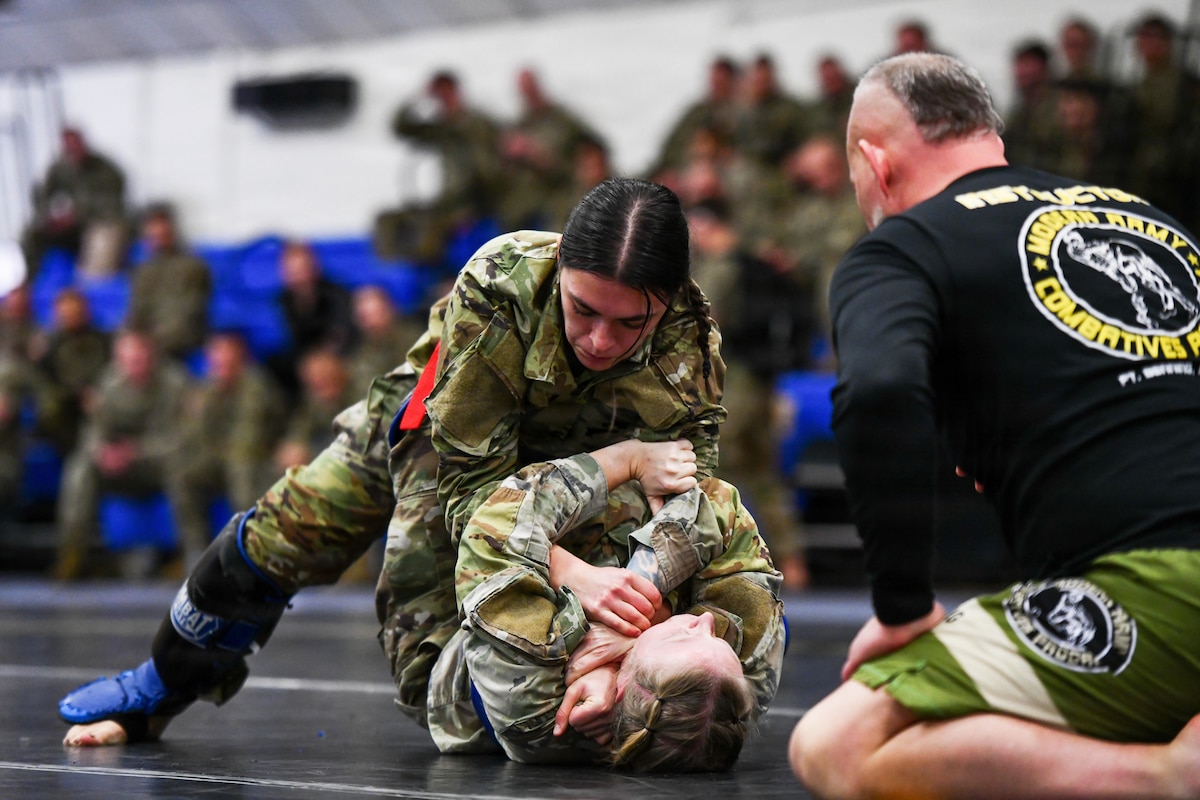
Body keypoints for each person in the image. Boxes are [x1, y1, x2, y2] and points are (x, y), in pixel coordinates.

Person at [57, 179, 779, 767]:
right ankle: (157, 688)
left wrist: (642, 600)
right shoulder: (501, 285)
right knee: (286, 533)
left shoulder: (688, 339)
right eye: (583, 310)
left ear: (668, 306)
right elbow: (470, 498)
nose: (600, 340)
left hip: (576, 481)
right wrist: (580, 577)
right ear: (559, 269)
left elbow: (691, 502)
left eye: (630, 325)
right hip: (438, 442)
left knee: (440, 666)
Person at [788, 52, 1200, 799]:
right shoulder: (1154, 222)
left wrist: (902, 608)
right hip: (1152, 589)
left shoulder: (900, 248)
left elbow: (880, 393)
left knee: (833, 745)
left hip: (1154, 588)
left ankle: (1169, 776)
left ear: (876, 165)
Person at [53, 328, 189, 581]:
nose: (134, 366)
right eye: (127, 360)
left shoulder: (175, 383)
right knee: (80, 468)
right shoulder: (109, 384)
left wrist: (136, 451)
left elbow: (181, 439)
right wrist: (103, 452)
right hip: (121, 467)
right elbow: (92, 433)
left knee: (183, 469)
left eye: (140, 359)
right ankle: (72, 552)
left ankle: (186, 556)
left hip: (157, 465)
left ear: (152, 356)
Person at [174, 332, 284, 568]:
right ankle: (198, 554)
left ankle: (250, 552)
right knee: (184, 473)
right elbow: (194, 438)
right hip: (224, 459)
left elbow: (249, 440)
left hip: (260, 459)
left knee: (241, 468)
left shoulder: (256, 386)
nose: (220, 361)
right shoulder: (208, 389)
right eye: (215, 355)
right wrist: (203, 406)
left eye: (226, 354)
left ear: (240, 357)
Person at [20, 127, 127, 278]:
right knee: (31, 233)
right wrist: (49, 216)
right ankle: (31, 277)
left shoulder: (106, 170)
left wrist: (77, 215)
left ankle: (89, 284)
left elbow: (112, 206)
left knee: (104, 240)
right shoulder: (60, 168)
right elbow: (42, 193)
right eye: (68, 147)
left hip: (99, 222)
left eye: (76, 145)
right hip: (71, 226)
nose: (73, 151)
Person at [124, 203, 213, 364]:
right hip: (149, 346)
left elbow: (186, 314)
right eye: (152, 232)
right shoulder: (143, 271)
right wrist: (130, 342)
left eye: (162, 230)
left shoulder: (192, 267)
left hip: (179, 344)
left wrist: (151, 344)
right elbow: (136, 313)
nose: (157, 234)